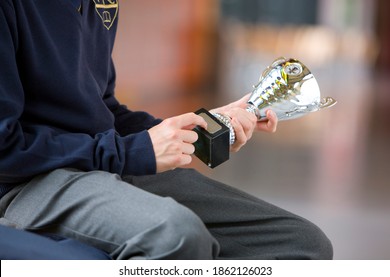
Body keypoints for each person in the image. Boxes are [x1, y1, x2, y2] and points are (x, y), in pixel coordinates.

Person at [0, 0, 333, 259]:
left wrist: (201, 127)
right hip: (23, 183)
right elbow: (5, 148)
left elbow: (103, 110)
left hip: (95, 165)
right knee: (174, 235)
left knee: (301, 243)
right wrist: (135, 152)